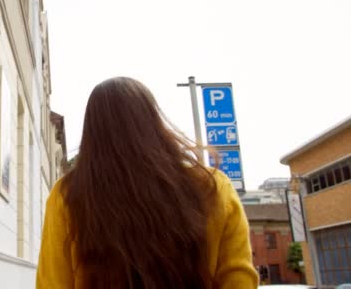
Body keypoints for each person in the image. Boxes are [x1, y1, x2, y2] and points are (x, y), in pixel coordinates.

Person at [36, 77, 258, 288]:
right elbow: (239, 280)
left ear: (92, 132)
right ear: (154, 123)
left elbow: (52, 284)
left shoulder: (67, 195)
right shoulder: (213, 188)